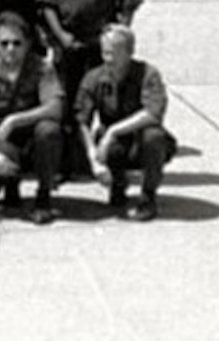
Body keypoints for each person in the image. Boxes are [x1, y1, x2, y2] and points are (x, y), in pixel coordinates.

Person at [36, 0, 142, 171]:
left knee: (104, 104)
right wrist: (60, 35)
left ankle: (106, 160)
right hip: (67, 40)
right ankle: (61, 165)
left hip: (101, 43)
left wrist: (118, 39)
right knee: (65, 103)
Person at [75, 24, 176, 221]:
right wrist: (92, 156)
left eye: (115, 53)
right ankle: (118, 184)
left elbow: (153, 113)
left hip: (140, 138)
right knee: (105, 141)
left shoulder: (148, 74)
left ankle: (148, 195)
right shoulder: (94, 78)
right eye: (106, 53)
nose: (109, 59)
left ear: (130, 52)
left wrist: (113, 131)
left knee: (154, 137)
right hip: (114, 145)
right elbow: (82, 120)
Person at [0, 12, 64, 224]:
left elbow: (55, 107)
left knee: (49, 130)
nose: (10, 49)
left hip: (34, 140)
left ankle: (43, 197)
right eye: (4, 43)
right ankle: (10, 190)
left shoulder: (42, 68)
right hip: (5, 143)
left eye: (17, 43)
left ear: (28, 44)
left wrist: (14, 120)